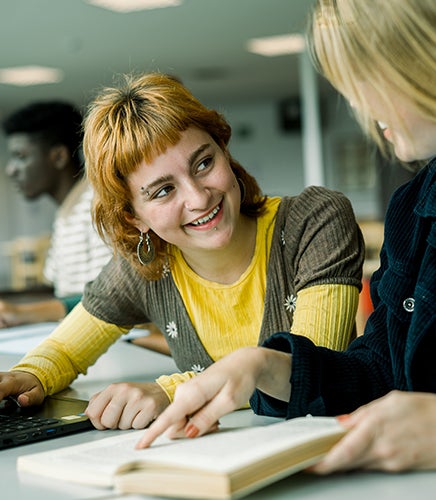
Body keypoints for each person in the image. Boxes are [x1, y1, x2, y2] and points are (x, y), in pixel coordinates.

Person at [0, 72, 364, 430]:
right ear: (133, 216)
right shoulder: (147, 261)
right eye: (163, 190)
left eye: (204, 163)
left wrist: (171, 391)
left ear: (224, 149)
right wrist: (30, 375)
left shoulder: (313, 221)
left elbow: (314, 368)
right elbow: (65, 347)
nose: (198, 197)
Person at [137, 0, 436, 474]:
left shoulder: (313, 219)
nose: (358, 104)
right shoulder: (413, 207)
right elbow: (378, 374)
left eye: (363, 80)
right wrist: (264, 366)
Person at [0, 100, 112, 328]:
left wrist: (24, 312)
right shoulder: (67, 212)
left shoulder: (99, 205)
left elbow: (113, 299)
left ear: (58, 156)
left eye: (20, 156)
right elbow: (63, 293)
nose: (11, 169)